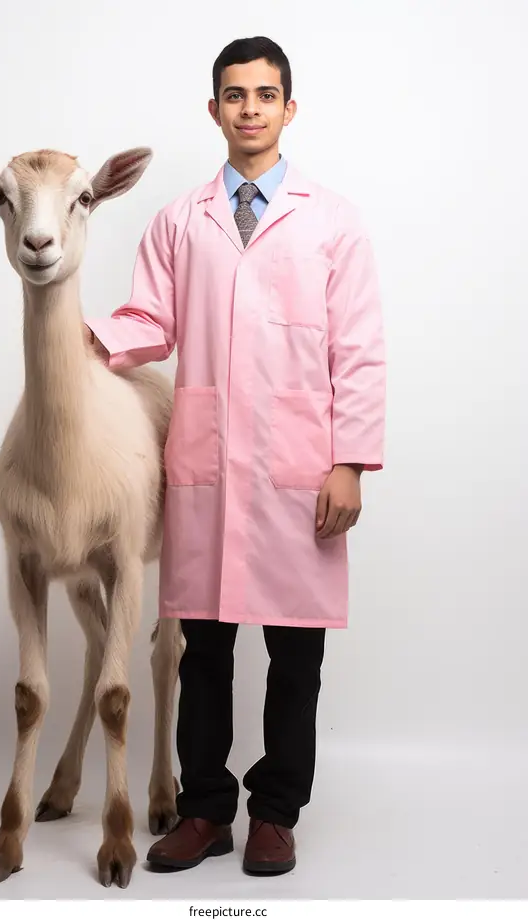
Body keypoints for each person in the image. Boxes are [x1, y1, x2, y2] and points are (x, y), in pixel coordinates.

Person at [85, 35, 386, 875]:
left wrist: (351, 462)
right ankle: (206, 809)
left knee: (296, 657)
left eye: (264, 94)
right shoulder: (182, 221)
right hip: (209, 467)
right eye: (233, 94)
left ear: (290, 108)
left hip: (302, 469)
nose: (249, 108)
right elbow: (152, 319)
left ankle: (276, 814)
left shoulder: (332, 223)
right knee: (202, 649)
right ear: (213, 109)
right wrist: (87, 337)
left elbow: (358, 349)